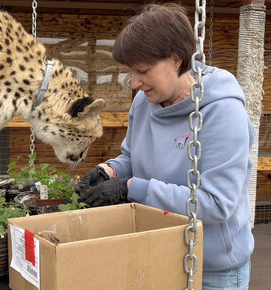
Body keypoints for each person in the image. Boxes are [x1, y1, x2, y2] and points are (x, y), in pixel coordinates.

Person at [75, 3, 254, 289]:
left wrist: (131, 188)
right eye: (131, 72)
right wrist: (109, 171)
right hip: (156, 250)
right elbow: (132, 157)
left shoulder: (222, 112)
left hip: (212, 268)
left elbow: (216, 203)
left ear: (175, 59)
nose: (135, 83)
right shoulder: (144, 103)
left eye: (143, 71)